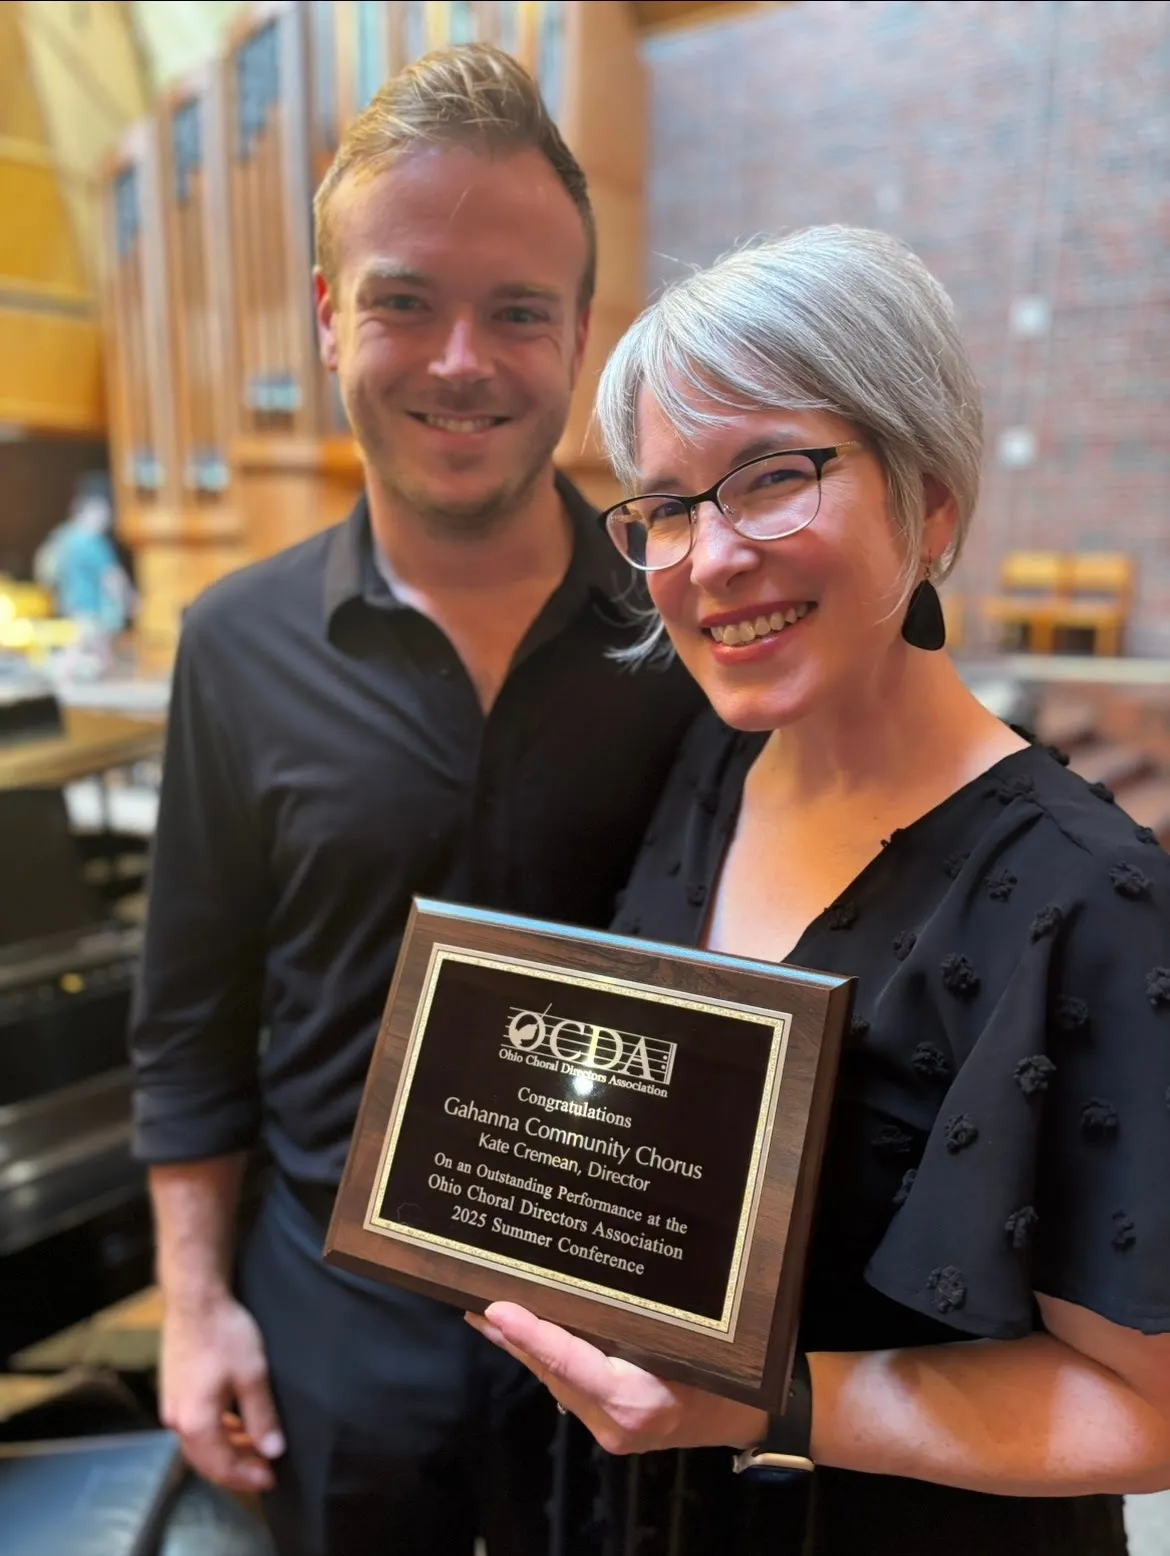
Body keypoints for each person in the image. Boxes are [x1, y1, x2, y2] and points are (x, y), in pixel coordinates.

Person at [468, 226, 1170, 1556]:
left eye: (771, 477)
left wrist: (764, 1403)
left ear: (932, 504)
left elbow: (1143, 1409)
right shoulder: (708, 768)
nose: (708, 556)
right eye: (666, 505)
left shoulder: (1088, 899)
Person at [129, 45, 701, 1556]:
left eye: (518, 310)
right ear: (329, 317)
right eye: (402, 300)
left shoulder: (689, 634)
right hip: (337, 1341)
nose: (462, 360)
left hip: (634, 1341)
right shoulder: (234, 647)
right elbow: (191, 1014)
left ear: (582, 333)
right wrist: (192, 1313)